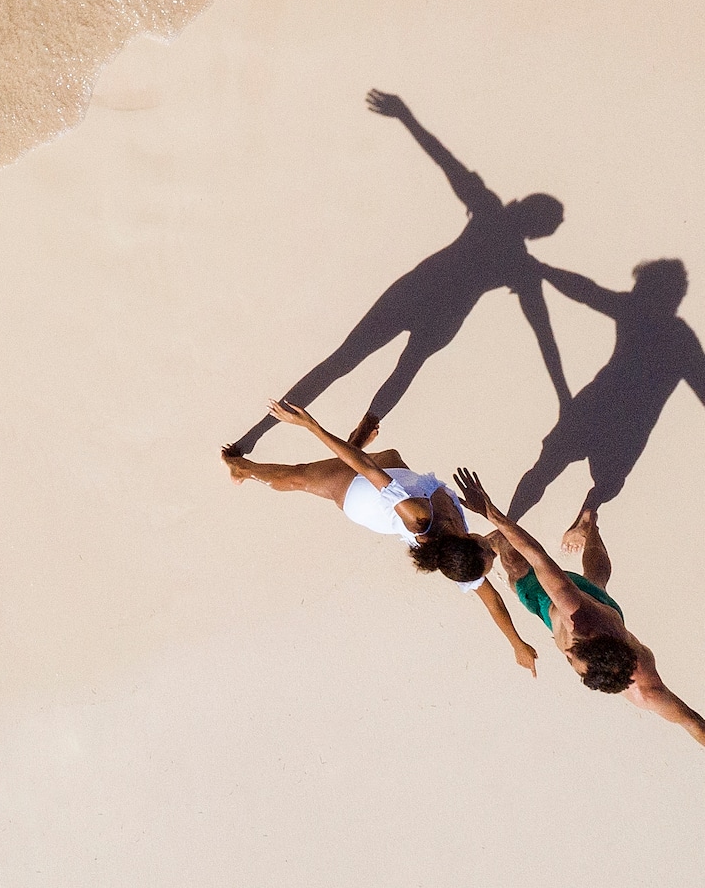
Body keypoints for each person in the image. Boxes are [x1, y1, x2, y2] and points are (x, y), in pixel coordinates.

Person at [226, 91, 570, 457]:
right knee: (396, 369)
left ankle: (262, 435)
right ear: (536, 231)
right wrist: (564, 397)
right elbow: (543, 332)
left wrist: (405, 116)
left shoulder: (491, 213)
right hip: (444, 312)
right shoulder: (519, 261)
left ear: (525, 211)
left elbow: (446, 161)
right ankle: (344, 443)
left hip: (417, 291)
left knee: (347, 360)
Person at [224, 400, 537, 674]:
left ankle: (241, 469)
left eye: (488, 550)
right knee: (389, 455)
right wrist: (518, 642)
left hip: (358, 497)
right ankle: (352, 445)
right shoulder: (442, 530)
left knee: (300, 477)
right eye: (490, 552)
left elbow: (494, 602)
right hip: (395, 476)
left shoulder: (423, 522)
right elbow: (494, 600)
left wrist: (311, 426)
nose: (494, 551)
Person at [452, 468, 705, 744]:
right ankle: (495, 542)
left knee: (596, 582)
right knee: (518, 569)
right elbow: (537, 557)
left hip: (604, 612)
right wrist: (491, 513)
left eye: (573, 663)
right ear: (589, 636)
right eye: (574, 653)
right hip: (556, 605)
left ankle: (588, 525)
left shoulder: (646, 691)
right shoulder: (576, 613)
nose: (567, 655)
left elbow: (693, 723)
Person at [506, 258, 705, 519]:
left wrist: (542, 269)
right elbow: (586, 291)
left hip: (606, 412)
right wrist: (542, 269)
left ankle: (531, 522)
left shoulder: (644, 315)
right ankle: (524, 522)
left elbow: (587, 292)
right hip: (620, 419)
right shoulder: (666, 328)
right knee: (575, 478)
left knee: (554, 472)